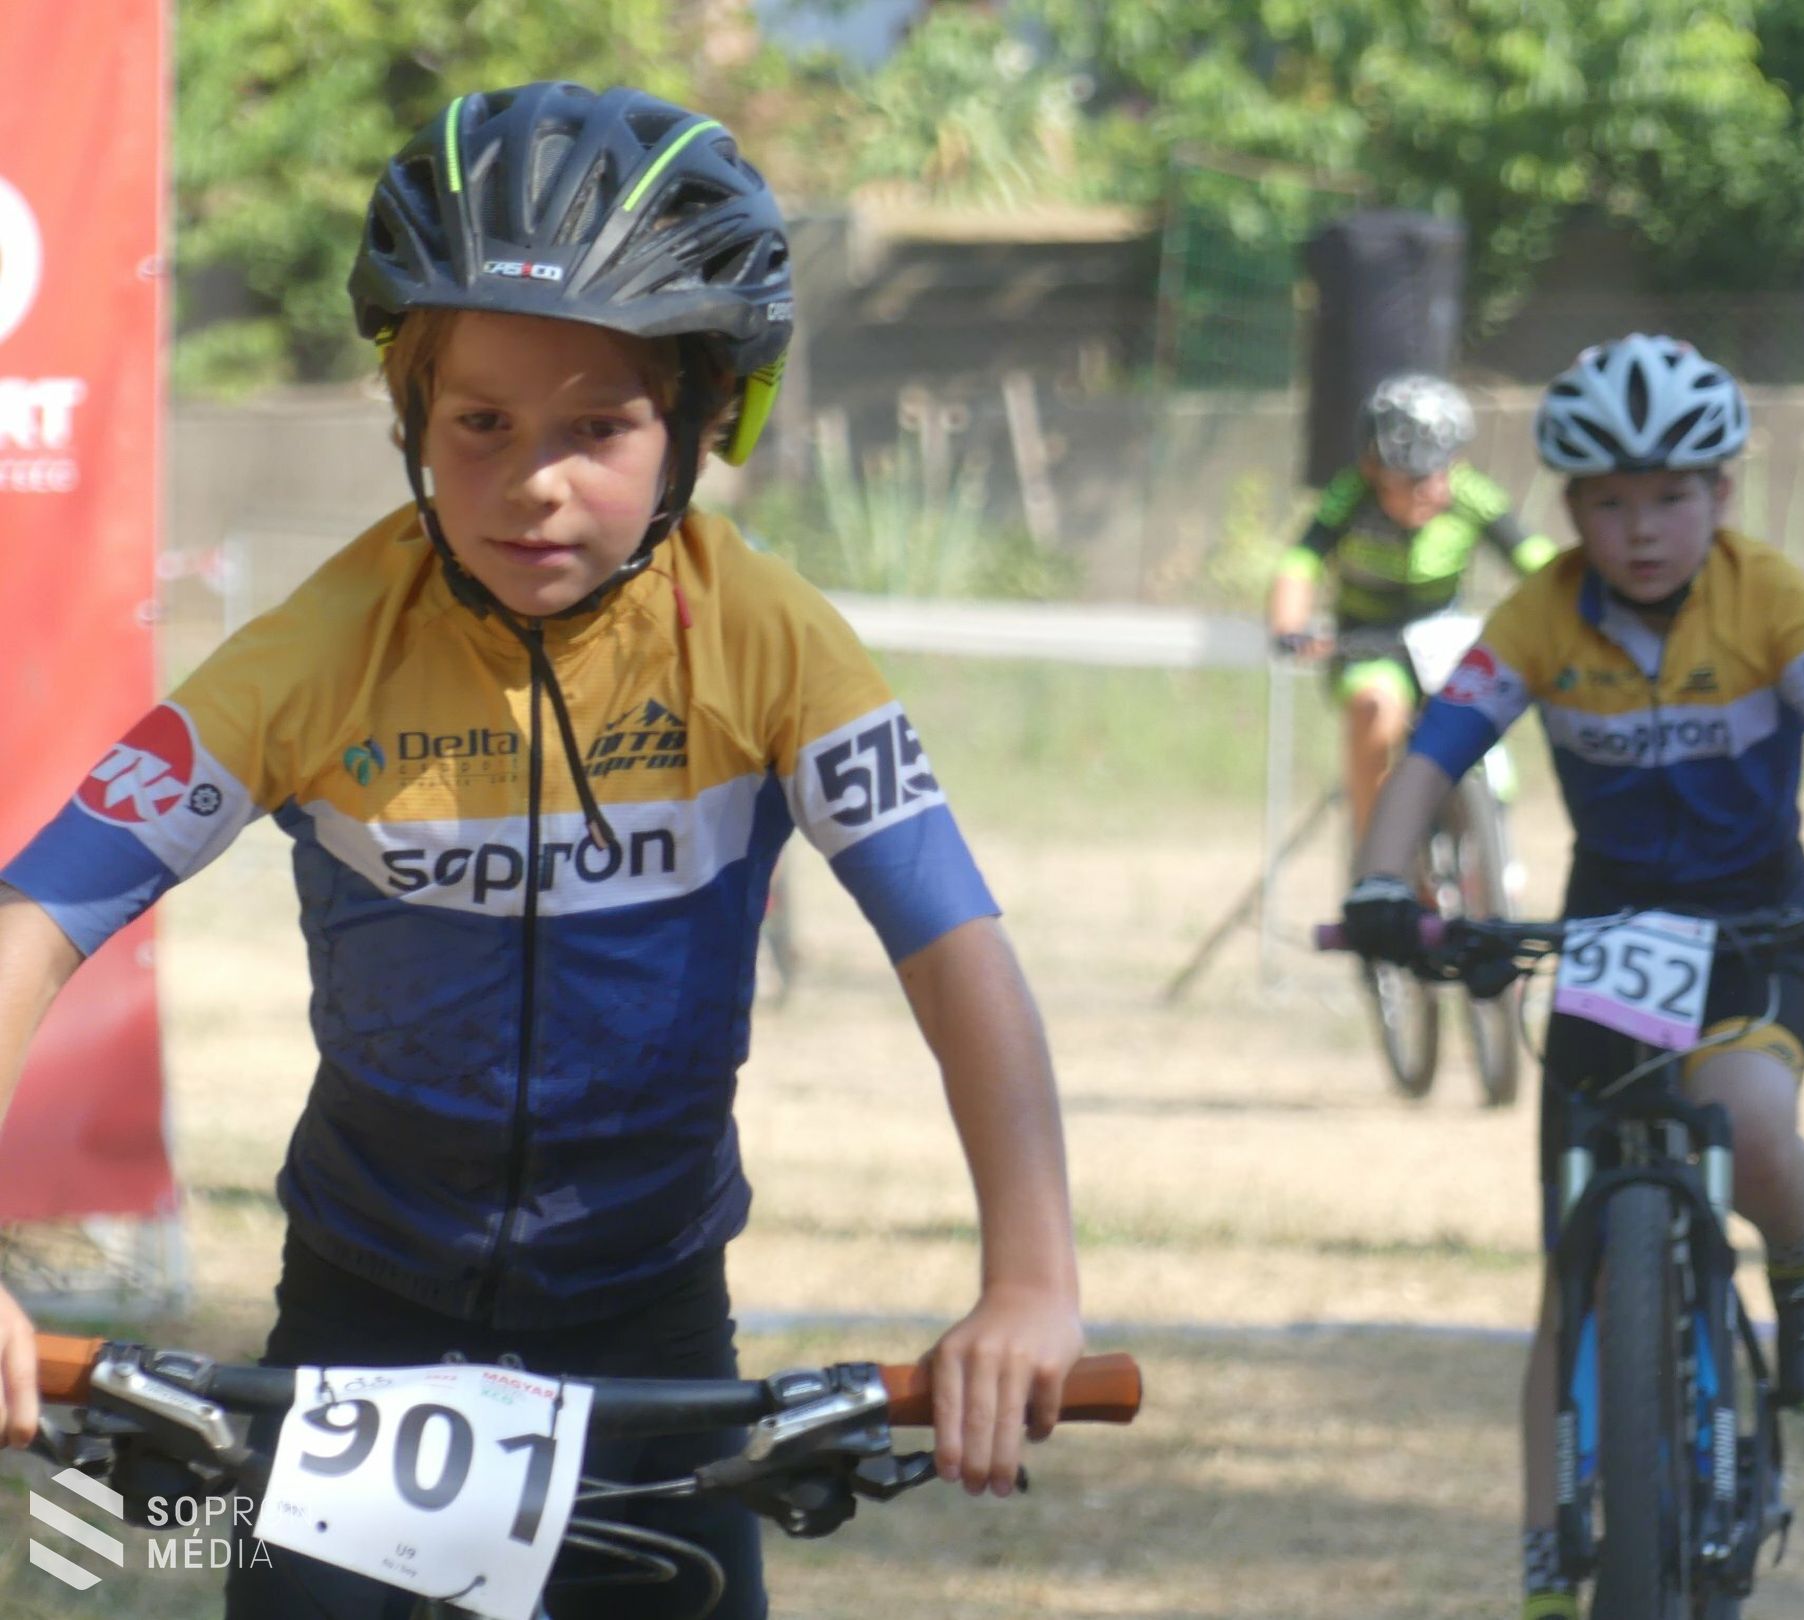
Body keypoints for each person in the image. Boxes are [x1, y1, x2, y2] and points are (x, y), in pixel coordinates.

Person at [0, 82, 1083, 1620]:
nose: (534, 480)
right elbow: (35, 917)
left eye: (602, 425)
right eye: (481, 424)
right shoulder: (318, 649)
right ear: (409, 420)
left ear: (708, 426)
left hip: (647, 1312)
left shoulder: (767, 640)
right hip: (364, 1311)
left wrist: (1032, 1280)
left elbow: (958, 951)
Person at [1339, 334, 1804, 1620]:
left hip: (1756, 925)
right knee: (1578, 1264)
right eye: (1610, 503)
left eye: (1672, 497)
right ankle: (1555, 1558)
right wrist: (1386, 886)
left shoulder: (1770, 596)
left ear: (1722, 498)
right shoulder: (1540, 611)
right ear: (1570, 512)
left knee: (1753, 1116)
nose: (1643, 528)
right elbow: (1433, 755)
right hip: (1612, 937)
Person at [1267, 372, 1556, 843]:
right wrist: (1289, 625)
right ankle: (1375, 857)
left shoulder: (1468, 493)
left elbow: (1535, 559)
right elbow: (1300, 563)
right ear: (1373, 469)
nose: (1433, 490)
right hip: (1368, 643)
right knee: (1375, 709)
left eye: (1441, 472)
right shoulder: (1350, 496)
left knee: (1483, 708)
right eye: (1414, 479)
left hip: (1442, 637)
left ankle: (1491, 848)